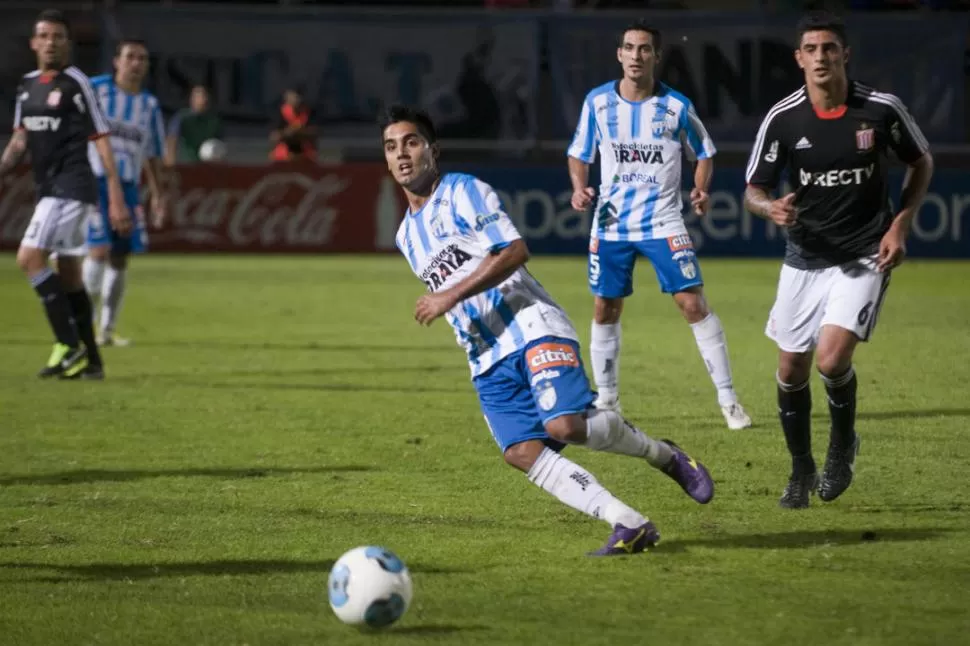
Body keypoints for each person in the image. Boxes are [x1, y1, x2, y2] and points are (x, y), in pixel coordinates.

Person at [380, 103, 715, 556]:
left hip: (531, 325)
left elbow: (515, 250)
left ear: (432, 151)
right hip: (484, 356)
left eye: (412, 142)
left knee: (563, 426)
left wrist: (449, 296)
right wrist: (456, 307)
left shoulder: (462, 191)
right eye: (391, 146)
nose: (402, 154)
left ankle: (666, 457)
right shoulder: (405, 236)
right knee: (520, 452)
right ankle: (628, 522)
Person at [743, 11, 933, 508]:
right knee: (789, 371)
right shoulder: (784, 117)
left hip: (866, 253)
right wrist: (770, 207)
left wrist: (900, 223)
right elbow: (752, 191)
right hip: (805, 256)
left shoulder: (881, 109)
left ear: (844, 54)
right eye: (812, 49)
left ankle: (841, 448)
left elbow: (921, 160)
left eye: (830, 48)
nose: (821, 57)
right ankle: (800, 468)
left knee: (831, 360)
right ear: (799, 59)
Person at [566, 20, 752, 430]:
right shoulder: (597, 103)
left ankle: (729, 399)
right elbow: (579, 153)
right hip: (612, 225)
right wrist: (579, 188)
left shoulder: (677, 107)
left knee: (692, 303)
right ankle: (609, 402)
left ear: (656, 56)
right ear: (619, 54)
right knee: (605, 307)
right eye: (629, 47)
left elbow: (703, 153)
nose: (636, 55)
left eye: (644, 49)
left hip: (663, 222)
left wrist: (700, 189)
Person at [0, 9, 130, 380]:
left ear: (67, 43)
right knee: (70, 275)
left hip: (71, 186)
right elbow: (20, 140)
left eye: (58, 36)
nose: (51, 42)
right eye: (44, 35)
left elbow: (101, 139)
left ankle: (67, 343)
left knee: (28, 258)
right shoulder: (26, 86)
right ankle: (93, 361)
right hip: (48, 189)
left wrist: (116, 196)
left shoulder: (77, 83)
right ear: (34, 43)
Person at [81, 38, 168, 347]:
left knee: (120, 257)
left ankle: (106, 329)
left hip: (129, 186)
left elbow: (154, 154)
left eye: (142, 59)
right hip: (93, 180)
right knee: (98, 250)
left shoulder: (149, 106)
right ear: (116, 61)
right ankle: (83, 327)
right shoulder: (96, 89)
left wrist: (158, 194)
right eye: (130, 57)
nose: (136, 63)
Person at [164, 84, 222, 165]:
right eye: (197, 96)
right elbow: (171, 139)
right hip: (185, 165)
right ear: (191, 99)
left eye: (203, 96)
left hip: (206, 166)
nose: (201, 100)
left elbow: (218, 145)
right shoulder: (182, 118)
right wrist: (169, 162)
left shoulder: (214, 121)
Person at [270, 85, 317, 162]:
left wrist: (300, 132)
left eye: (295, 96)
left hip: (304, 151)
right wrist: (286, 132)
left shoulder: (307, 112)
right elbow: (273, 136)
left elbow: (315, 133)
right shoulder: (281, 113)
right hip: (285, 152)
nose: (292, 99)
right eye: (289, 97)